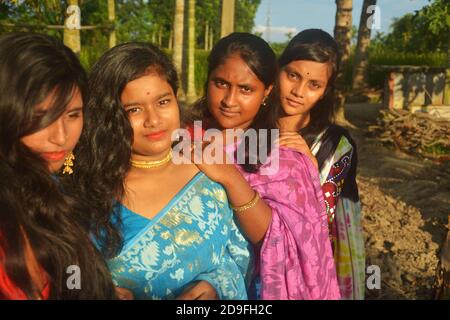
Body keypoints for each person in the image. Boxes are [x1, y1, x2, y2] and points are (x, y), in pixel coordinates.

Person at [71, 42, 252, 300]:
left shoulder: (207, 174)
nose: (153, 120)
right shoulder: (87, 188)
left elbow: (238, 258)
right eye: (133, 109)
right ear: (107, 117)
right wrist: (93, 290)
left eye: (163, 101)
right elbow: (67, 271)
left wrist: (214, 285)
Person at [188, 32, 340, 300]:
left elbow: (290, 240)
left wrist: (230, 177)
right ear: (207, 79)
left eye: (246, 89)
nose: (230, 100)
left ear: (266, 91)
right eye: (221, 83)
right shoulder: (185, 138)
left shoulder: (280, 155)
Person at [0, 33, 118, 299]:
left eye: (73, 115)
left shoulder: (49, 192)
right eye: (41, 117)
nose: (61, 137)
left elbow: (70, 276)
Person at [276, 29, 365, 299]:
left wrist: (309, 168)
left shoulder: (335, 146)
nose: (298, 92)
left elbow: (329, 221)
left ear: (326, 91)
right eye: (292, 75)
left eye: (314, 84)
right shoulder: (251, 128)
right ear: (277, 70)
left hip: (307, 274)